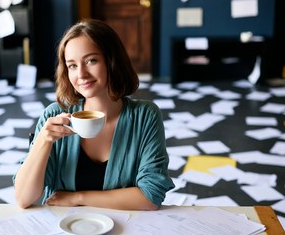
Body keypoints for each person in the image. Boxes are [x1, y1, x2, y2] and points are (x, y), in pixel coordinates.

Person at [14, 19, 174, 210]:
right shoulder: (55, 115)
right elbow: (24, 199)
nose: (81, 74)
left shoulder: (145, 116)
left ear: (111, 61)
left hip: (125, 231)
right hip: (63, 231)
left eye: (91, 60)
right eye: (72, 65)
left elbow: (150, 196)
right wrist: (43, 141)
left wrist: (78, 198)